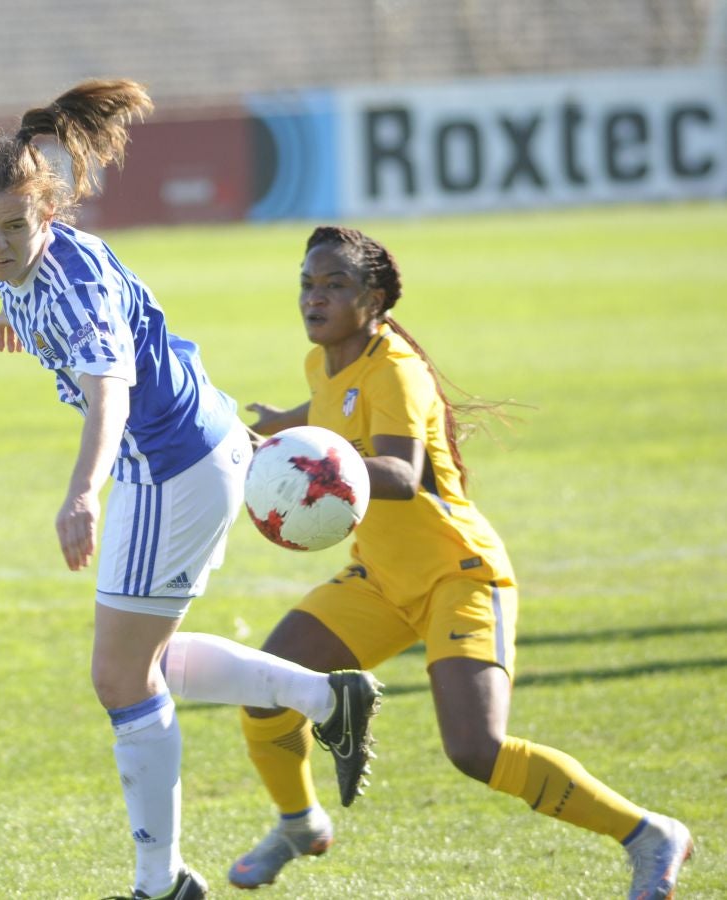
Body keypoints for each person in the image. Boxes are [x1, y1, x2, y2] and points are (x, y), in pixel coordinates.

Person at [0, 81, 381, 900]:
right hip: (195, 448)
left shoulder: (69, 283)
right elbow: (40, 294)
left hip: (169, 465)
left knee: (120, 679)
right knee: (148, 665)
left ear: (49, 214)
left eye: (13, 228)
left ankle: (161, 884)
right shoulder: (33, 257)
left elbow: (110, 387)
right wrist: (15, 316)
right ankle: (322, 697)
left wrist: (83, 493)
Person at [228, 225, 694, 898]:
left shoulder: (396, 369)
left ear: (375, 298)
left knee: (476, 750)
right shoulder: (323, 361)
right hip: (381, 578)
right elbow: (331, 408)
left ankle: (648, 833)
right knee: (264, 687)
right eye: (307, 283)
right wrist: (282, 426)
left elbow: (398, 469)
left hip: (459, 575)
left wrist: (309, 468)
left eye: (334, 285)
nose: (314, 298)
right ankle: (300, 823)